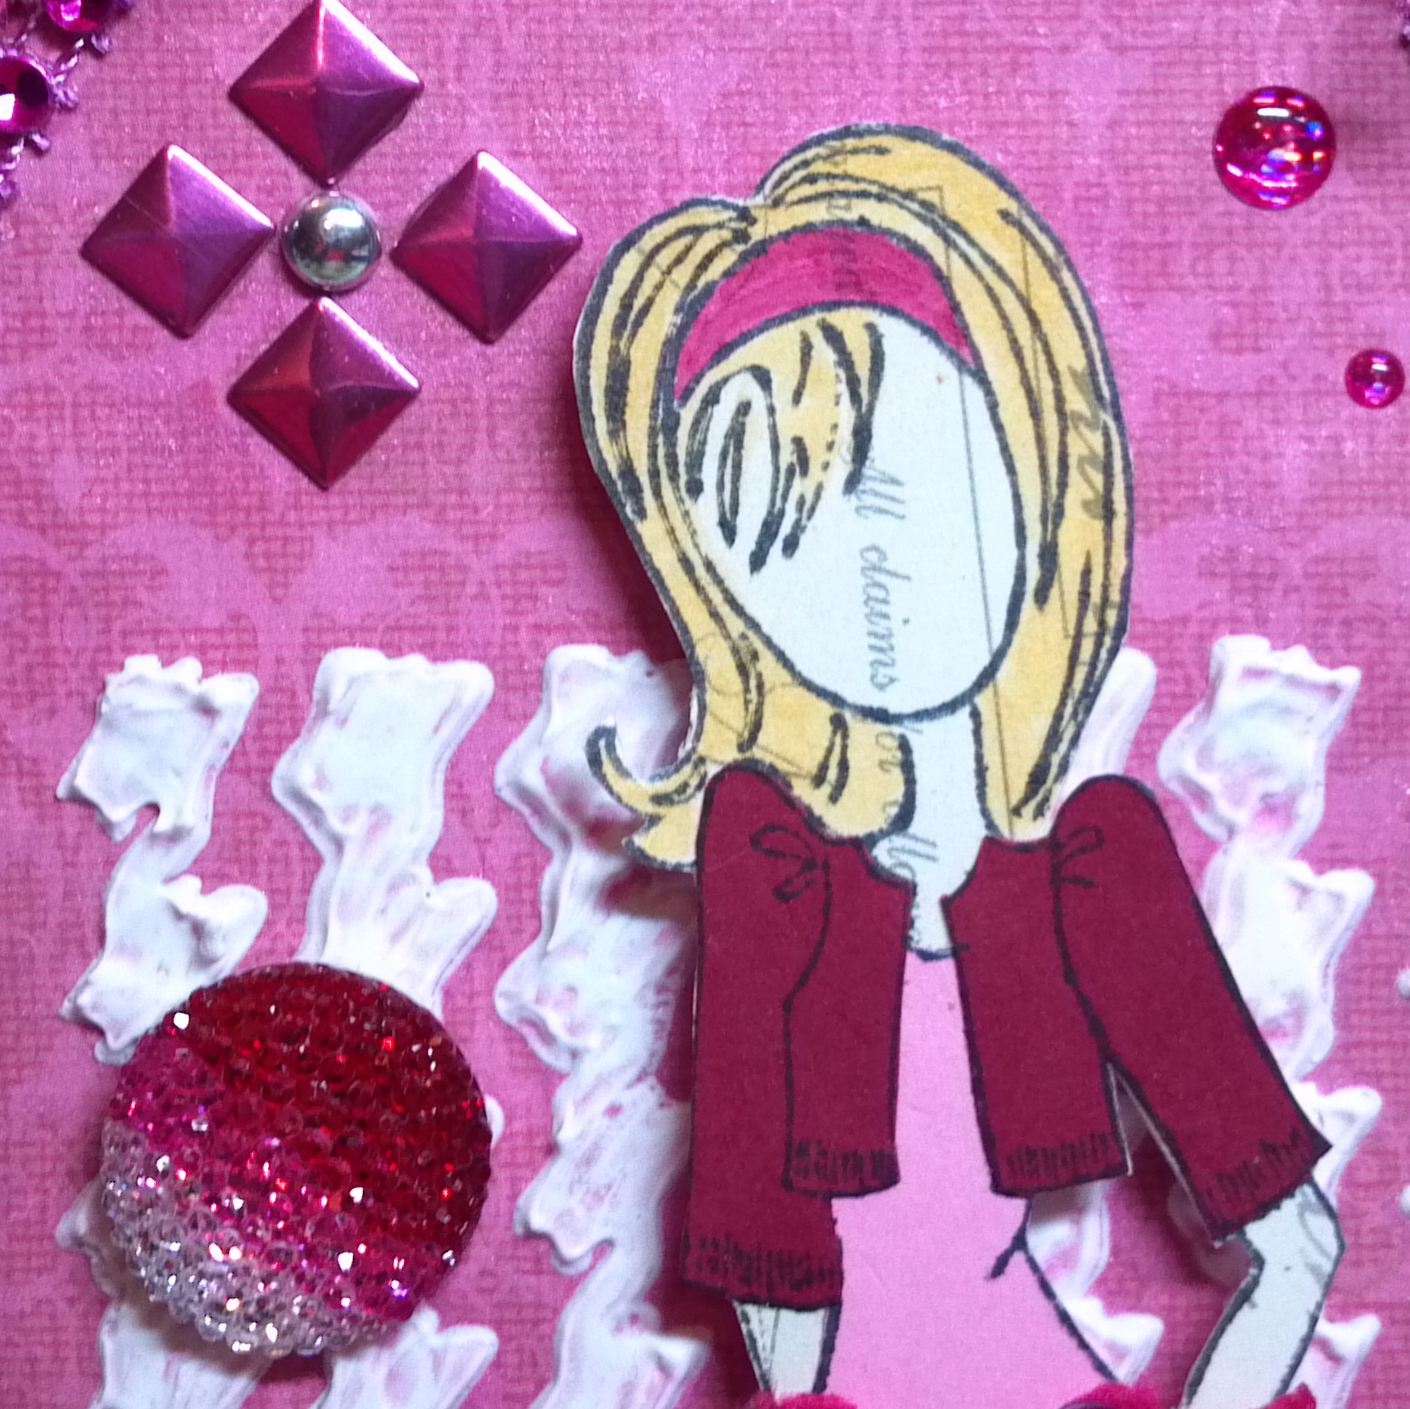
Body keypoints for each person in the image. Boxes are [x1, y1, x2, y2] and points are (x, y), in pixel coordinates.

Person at [570, 127, 1341, 1409]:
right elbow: (775, 1282)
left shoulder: (1096, 874)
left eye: (905, 481)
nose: (863, 575)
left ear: (1031, 463)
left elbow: (1298, 1247)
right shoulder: (775, 870)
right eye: (768, 531)